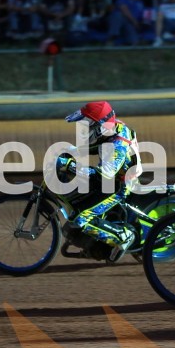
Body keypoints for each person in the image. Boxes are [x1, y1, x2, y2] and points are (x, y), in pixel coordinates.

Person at [59, 101, 141, 260]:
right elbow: (96, 147)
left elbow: (104, 174)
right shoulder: (112, 128)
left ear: (100, 125)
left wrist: (71, 166)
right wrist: (72, 152)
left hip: (119, 186)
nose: (83, 129)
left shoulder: (118, 143)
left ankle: (122, 236)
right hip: (110, 180)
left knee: (80, 219)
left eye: (87, 125)